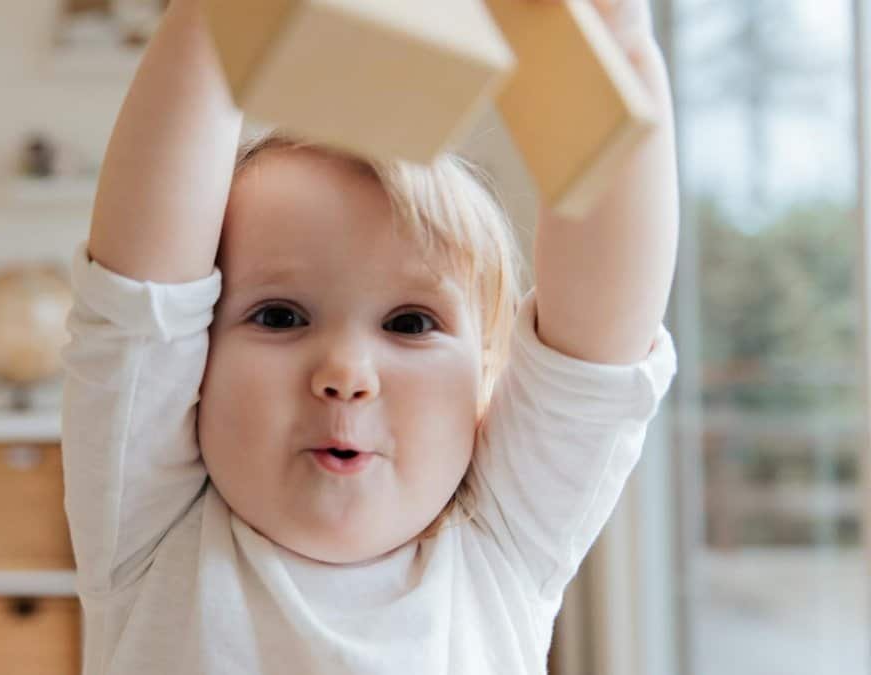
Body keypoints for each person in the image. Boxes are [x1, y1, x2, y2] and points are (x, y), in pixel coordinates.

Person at [60, 0, 679, 671]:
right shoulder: (153, 528)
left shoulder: (500, 541)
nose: (346, 371)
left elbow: (599, 346)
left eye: (410, 324)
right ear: (194, 365)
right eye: (280, 316)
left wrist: (618, 47)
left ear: (485, 380)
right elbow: (140, 300)